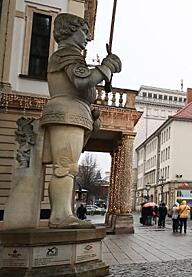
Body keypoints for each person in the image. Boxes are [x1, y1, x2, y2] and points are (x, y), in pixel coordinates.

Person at [40, 13, 121, 229]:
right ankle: (60, 215)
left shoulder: (73, 56)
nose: (87, 36)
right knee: (65, 167)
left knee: (68, 167)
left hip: (74, 113)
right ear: (69, 30)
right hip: (67, 112)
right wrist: (106, 67)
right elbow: (82, 79)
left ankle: (63, 212)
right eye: (84, 31)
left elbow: (84, 88)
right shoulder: (67, 54)